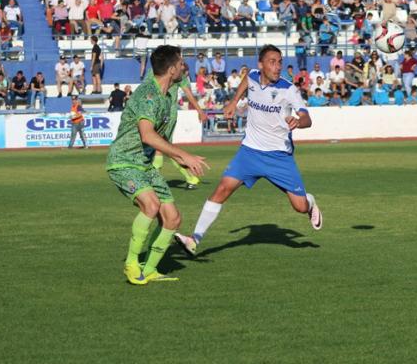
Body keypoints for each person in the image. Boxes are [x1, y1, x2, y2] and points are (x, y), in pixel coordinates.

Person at [174, 44, 322, 257]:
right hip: (250, 152)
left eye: (280, 62)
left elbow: (307, 117)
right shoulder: (252, 76)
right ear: (260, 65)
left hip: (279, 156)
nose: (278, 66)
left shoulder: (288, 89)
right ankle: (194, 239)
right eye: (272, 61)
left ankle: (310, 202)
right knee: (222, 189)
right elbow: (246, 81)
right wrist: (234, 101)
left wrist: (299, 122)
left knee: (299, 207)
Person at [106, 45, 208, 285]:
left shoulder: (169, 93)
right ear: (172, 69)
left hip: (145, 165)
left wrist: (180, 159)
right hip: (124, 161)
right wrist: (184, 156)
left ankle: (149, 269)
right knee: (151, 206)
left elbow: (162, 138)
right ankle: (131, 264)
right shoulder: (148, 95)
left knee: (173, 219)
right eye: (181, 63)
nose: (185, 66)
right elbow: (148, 136)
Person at [151, 63, 208, 190]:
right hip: (160, 113)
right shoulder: (159, 72)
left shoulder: (177, 75)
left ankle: (154, 181)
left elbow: (188, 94)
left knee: (159, 146)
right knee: (167, 148)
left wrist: (200, 111)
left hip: (166, 114)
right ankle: (190, 177)